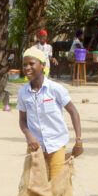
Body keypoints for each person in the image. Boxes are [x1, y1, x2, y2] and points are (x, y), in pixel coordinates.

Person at [17, 46, 83, 180]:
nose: (27, 68)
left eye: (31, 64)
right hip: (35, 148)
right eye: (25, 65)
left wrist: (79, 141)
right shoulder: (23, 93)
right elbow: (22, 120)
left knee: (57, 187)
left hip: (56, 145)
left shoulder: (55, 89)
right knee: (33, 188)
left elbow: (73, 112)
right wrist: (29, 135)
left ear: (42, 65)